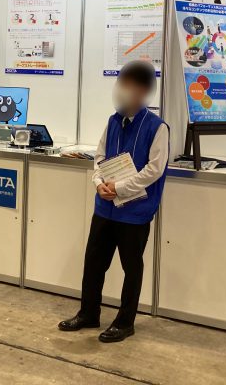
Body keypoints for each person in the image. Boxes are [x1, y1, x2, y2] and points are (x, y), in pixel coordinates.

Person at [59, 60, 169, 343]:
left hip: (135, 212)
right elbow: (99, 157)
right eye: (120, 83)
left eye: (127, 85)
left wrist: (119, 187)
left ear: (142, 90)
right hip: (105, 207)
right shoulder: (113, 121)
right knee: (94, 263)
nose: (120, 90)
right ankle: (88, 313)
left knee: (131, 267)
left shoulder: (157, 127)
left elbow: (154, 170)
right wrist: (99, 183)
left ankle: (125, 322)